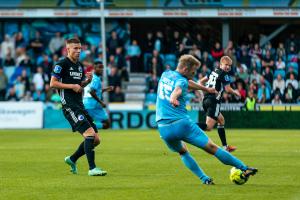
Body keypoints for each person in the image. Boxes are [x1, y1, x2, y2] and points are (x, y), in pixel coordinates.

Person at [156, 54, 257, 185]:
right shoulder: (181, 81)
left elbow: (187, 83)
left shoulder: (166, 74)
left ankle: (205, 179)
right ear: (186, 69)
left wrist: (205, 88)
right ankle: (244, 167)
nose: (194, 74)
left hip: (163, 129)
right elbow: (178, 89)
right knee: (212, 147)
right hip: (181, 124)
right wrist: (173, 97)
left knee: (183, 152)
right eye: (193, 72)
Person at [50, 38, 107, 176]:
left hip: (80, 106)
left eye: (80, 48)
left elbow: (79, 87)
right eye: (75, 48)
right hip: (69, 106)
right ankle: (92, 168)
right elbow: (53, 83)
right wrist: (72, 86)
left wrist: (87, 81)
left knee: (96, 140)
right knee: (89, 134)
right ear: (67, 49)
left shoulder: (80, 66)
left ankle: (72, 159)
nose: (78, 51)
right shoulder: (61, 64)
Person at [197, 56, 241, 152]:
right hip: (213, 101)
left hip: (206, 100)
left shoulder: (213, 71)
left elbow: (200, 81)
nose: (228, 67)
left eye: (229, 65)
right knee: (208, 127)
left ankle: (225, 147)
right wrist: (236, 92)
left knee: (221, 120)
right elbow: (228, 89)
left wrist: (202, 92)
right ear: (220, 64)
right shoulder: (224, 75)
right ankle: (187, 126)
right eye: (226, 65)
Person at [83, 61, 114, 129]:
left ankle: (88, 126)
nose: (101, 69)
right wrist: (101, 102)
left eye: (102, 67)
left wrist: (105, 89)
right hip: (93, 104)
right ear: (94, 67)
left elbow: (93, 91)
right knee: (107, 123)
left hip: (87, 103)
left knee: (105, 123)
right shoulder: (96, 79)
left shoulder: (91, 77)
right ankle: (88, 126)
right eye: (99, 67)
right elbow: (91, 92)